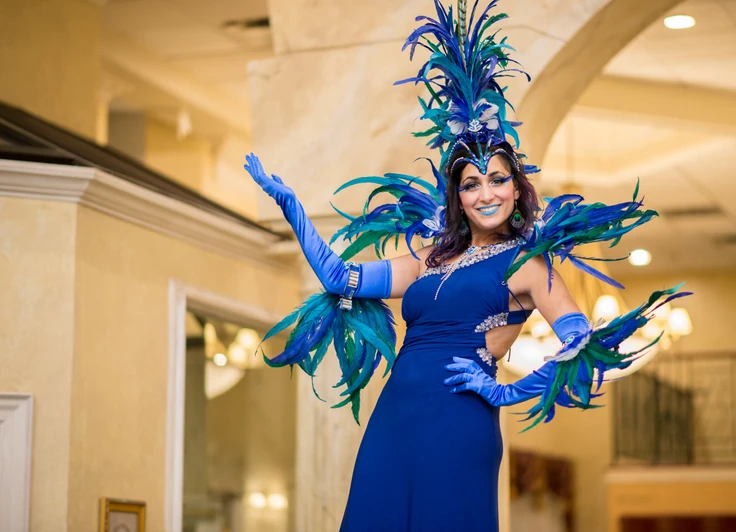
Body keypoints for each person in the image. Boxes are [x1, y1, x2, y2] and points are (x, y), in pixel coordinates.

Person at [245, 1, 689, 530]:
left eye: (497, 179)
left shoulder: (529, 264)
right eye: (471, 183)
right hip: (395, 416)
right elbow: (342, 279)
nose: (486, 193)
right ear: (456, 196)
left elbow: (578, 341)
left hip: (459, 419)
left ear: (516, 186)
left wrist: (507, 391)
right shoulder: (427, 256)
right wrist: (293, 207)